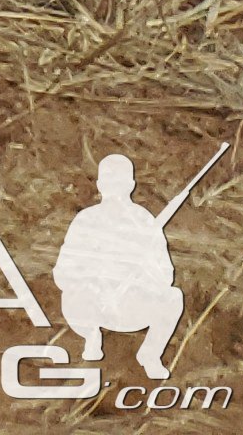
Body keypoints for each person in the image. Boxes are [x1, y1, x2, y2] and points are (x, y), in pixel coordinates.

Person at [53, 154, 187, 379]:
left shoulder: (145, 222)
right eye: (109, 182)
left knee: (173, 298)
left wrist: (144, 272)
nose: (114, 189)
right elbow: (63, 272)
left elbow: (165, 275)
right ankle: (91, 337)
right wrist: (94, 283)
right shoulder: (86, 220)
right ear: (100, 185)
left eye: (120, 183)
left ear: (131, 186)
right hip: (93, 306)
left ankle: (150, 354)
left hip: (131, 308)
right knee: (73, 297)